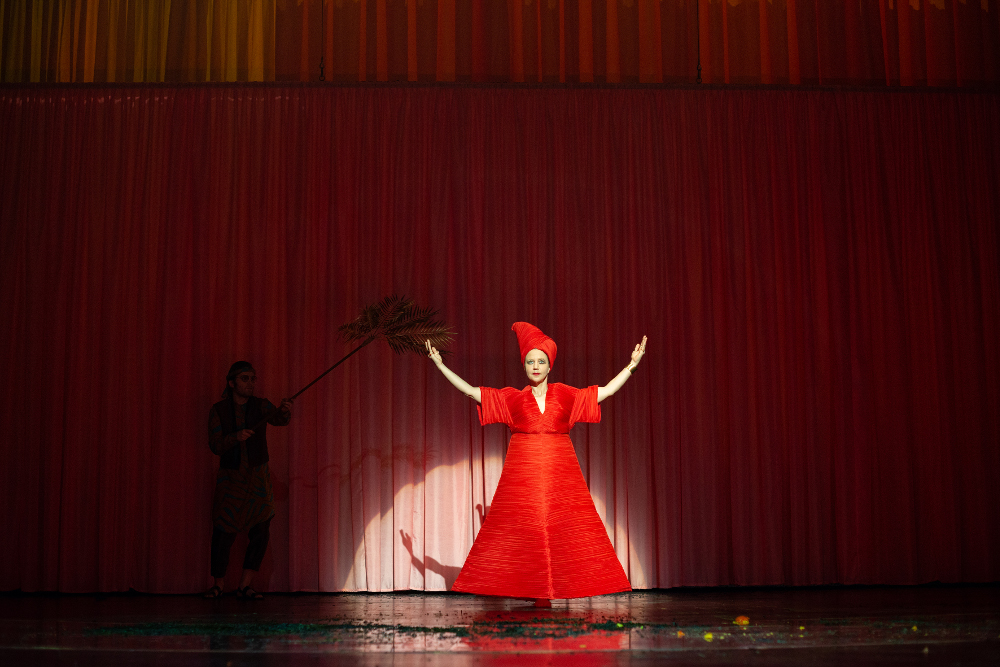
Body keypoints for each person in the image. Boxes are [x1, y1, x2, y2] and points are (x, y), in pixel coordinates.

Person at [426, 322, 647, 607]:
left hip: (559, 471)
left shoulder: (565, 395)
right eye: (530, 361)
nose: (535, 365)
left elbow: (604, 392)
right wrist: (440, 365)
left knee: (566, 529)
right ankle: (532, 590)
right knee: (523, 530)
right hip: (524, 472)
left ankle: (555, 590)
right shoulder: (513, 398)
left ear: (549, 365)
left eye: (540, 361)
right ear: (524, 365)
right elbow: (471, 392)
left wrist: (631, 366)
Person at [203, 361, 293, 599]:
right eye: (245, 379)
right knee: (223, 531)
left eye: (253, 378)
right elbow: (215, 445)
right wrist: (235, 436)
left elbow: (280, 420)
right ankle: (219, 584)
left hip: (258, 477)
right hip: (231, 478)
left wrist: (284, 410)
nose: (251, 383)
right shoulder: (219, 410)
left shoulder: (261, 405)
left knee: (261, 529)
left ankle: (245, 585)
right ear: (232, 383)